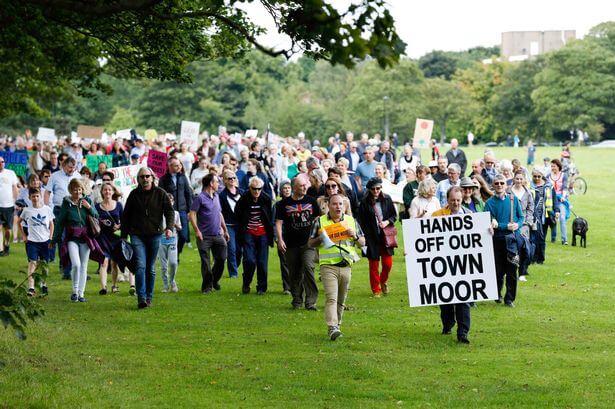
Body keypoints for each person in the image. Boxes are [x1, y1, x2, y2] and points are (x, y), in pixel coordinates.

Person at [308, 194, 365, 340]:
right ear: (328, 205)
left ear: (344, 206)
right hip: (328, 266)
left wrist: (355, 237)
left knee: (341, 300)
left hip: (346, 265)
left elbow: (363, 243)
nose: (338, 207)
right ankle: (332, 326)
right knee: (331, 298)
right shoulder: (320, 222)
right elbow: (310, 243)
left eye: (340, 204)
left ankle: (337, 325)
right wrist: (321, 238)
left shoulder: (351, 221)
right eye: (334, 204)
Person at [121, 167, 175, 309]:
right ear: (138, 179)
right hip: (137, 235)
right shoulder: (133, 195)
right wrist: (123, 236)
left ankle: (149, 297)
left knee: (150, 268)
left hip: (155, 235)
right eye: (142, 177)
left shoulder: (160, 193)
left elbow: (169, 211)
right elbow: (126, 216)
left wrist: (169, 227)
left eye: (147, 176)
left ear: (152, 178)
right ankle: (141, 298)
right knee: (140, 266)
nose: (145, 179)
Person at [431, 186, 471, 343]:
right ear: (447, 200)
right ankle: (448, 324)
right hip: (443, 263)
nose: (456, 203)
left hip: (463, 264)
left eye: (458, 200)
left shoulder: (470, 215)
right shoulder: (437, 216)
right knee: (445, 297)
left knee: (464, 298)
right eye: (452, 200)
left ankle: (463, 333)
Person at [52, 178, 102, 303]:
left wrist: (89, 207)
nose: (77, 192)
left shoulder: (87, 200)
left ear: (82, 189)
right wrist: (55, 239)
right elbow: (60, 222)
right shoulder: (66, 203)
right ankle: (74, 291)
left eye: (79, 189)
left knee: (84, 266)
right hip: (72, 237)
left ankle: (81, 293)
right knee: (76, 264)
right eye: (75, 189)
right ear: (71, 190)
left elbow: (96, 216)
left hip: (86, 237)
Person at [275, 177, 321, 310]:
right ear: (294, 187)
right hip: (291, 243)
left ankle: (311, 301)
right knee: (294, 272)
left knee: (308, 268)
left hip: (308, 243)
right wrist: (280, 239)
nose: (304, 188)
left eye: (305, 185)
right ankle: (297, 300)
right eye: (301, 186)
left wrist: (317, 236)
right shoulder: (283, 203)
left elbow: (317, 219)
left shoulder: (311, 201)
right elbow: (278, 222)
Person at [485, 174, 524, 307]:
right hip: (496, 241)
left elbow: (521, 217)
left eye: (502, 183)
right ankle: (497, 293)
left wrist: (518, 225)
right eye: (497, 183)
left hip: (511, 240)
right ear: (493, 185)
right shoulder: (489, 203)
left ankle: (509, 299)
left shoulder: (513, 199)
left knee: (512, 270)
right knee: (498, 270)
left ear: (506, 185)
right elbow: (489, 223)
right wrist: (505, 226)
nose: (500, 185)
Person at [189, 173, 230, 294]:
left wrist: (225, 229)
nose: (219, 184)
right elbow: (192, 214)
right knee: (206, 263)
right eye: (217, 181)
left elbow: (219, 213)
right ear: (211, 184)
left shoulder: (217, 196)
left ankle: (214, 280)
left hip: (218, 234)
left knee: (222, 259)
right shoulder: (200, 197)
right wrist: (197, 231)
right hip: (204, 236)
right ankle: (207, 287)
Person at [357, 177, 396, 297]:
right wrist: (362, 236)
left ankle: (383, 281)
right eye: (373, 189)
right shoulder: (364, 202)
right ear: (369, 190)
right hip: (371, 237)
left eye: (378, 188)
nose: (376, 191)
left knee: (388, 263)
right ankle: (376, 289)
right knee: (373, 265)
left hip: (385, 237)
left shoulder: (387, 199)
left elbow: (394, 216)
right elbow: (360, 221)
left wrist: (387, 222)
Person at [235, 176, 273, 295]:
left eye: (259, 189)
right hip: (248, 233)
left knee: (262, 262)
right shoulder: (244, 199)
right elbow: (238, 215)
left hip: (263, 233)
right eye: (254, 189)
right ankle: (246, 282)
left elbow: (269, 217)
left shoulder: (266, 199)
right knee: (249, 260)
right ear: (249, 188)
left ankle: (261, 288)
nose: (257, 191)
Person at [44, 157, 79, 278]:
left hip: (75, 210)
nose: (72, 170)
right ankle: (66, 269)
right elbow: (47, 192)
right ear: (64, 165)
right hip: (59, 210)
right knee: (62, 239)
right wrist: (46, 209)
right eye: (70, 167)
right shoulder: (54, 176)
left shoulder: (77, 176)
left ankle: (74, 268)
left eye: (74, 168)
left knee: (74, 239)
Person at [18, 188, 54, 297]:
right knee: (32, 263)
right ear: (29, 198)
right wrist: (24, 235)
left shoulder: (47, 209)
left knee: (44, 264)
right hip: (32, 242)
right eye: (33, 196)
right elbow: (18, 222)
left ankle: (43, 284)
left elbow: (52, 224)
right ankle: (31, 287)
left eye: (37, 196)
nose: (35, 198)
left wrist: (51, 237)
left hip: (45, 241)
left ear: (40, 196)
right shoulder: (27, 210)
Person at [96, 182, 127, 295]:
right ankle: (103, 287)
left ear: (113, 192)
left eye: (109, 190)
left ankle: (114, 285)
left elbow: (124, 220)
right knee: (104, 262)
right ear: (102, 192)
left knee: (114, 263)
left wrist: (119, 226)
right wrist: (101, 222)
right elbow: (94, 221)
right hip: (103, 237)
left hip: (115, 237)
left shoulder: (118, 205)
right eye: (105, 190)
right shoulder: (97, 206)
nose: (107, 192)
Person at [158, 157, 193, 258]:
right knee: (169, 235)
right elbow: (161, 196)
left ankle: (177, 253)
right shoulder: (163, 179)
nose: (179, 167)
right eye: (176, 165)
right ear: (169, 166)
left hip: (182, 210)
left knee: (183, 236)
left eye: (180, 165)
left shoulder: (183, 177)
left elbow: (188, 193)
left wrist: (190, 210)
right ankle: (172, 256)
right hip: (169, 211)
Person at [509, 171, 535, 282]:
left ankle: (522, 272)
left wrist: (528, 221)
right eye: (517, 178)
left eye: (521, 179)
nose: (519, 181)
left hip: (524, 225)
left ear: (524, 180)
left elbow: (530, 208)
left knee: (525, 249)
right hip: (511, 224)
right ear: (513, 179)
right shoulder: (508, 191)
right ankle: (511, 270)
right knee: (512, 249)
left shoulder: (528, 193)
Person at [219, 170, 243, 279]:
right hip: (229, 225)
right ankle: (233, 273)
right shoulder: (222, 195)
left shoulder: (242, 193)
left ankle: (235, 266)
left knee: (240, 250)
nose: (232, 180)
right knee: (232, 249)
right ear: (225, 181)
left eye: (234, 178)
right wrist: (222, 228)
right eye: (229, 178)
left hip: (241, 225)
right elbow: (220, 212)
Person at [530, 169, 556, 265]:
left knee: (542, 238)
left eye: (539, 176)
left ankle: (540, 259)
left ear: (542, 176)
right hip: (533, 215)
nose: (536, 178)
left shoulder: (549, 186)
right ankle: (533, 258)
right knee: (533, 237)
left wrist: (556, 211)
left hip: (545, 216)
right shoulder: (529, 186)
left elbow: (554, 199)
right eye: (535, 176)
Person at [158, 193, 182, 293]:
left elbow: (180, 227)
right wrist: (162, 229)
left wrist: (173, 224)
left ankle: (172, 281)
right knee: (163, 265)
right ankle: (165, 285)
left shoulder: (176, 213)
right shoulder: (159, 213)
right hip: (161, 240)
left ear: (173, 202)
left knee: (173, 263)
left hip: (172, 240)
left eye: (171, 200)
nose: (169, 202)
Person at [273, 180, 292, 294]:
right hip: (282, 236)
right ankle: (287, 287)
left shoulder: (295, 202)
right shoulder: (277, 205)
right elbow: (274, 222)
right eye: (284, 188)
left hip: (294, 236)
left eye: (289, 188)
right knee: (284, 262)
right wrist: (277, 237)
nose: (287, 190)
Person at [0, 155, 19, 256]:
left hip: (8, 205)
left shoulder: (10, 173)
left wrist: (16, 202)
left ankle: (6, 245)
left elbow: (15, 188)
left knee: (8, 229)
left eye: (2, 162)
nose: (1, 164)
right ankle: (1, 249)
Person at [548, 159, 569, 245]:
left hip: (561, 200)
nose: (552, 168)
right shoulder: (548, 176)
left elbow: (565, 187)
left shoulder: (564, 175)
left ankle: (564, 240)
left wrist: (563, 196)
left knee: (562, 218)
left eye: (554, 166)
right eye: (551, 166)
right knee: (553, 219)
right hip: (551, 200)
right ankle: (553, 238)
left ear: (558, 166)